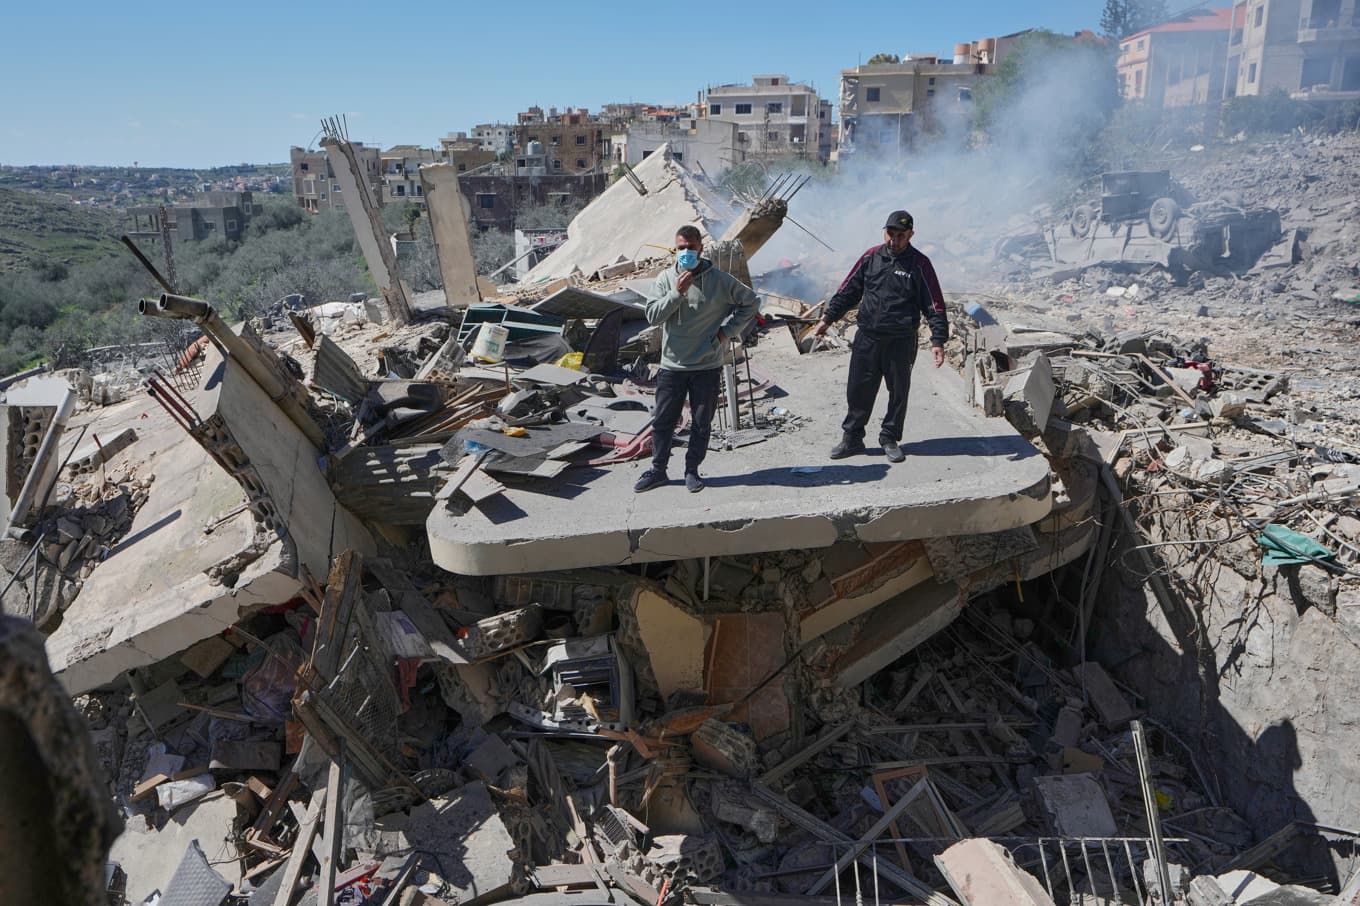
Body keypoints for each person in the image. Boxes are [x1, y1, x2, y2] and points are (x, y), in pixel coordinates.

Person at [814, 210, 948, 463]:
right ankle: (852, 439)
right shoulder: (870, 257)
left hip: (901, 341)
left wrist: (937, 340)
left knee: (898, 392)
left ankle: (889, 438)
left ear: (910, 235)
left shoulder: (920, 265)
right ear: (884, 231)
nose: (894, 240)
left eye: (900, 236)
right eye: (890, 234)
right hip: (867, 338)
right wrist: (827, 319)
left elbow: (934, 304)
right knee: (858, 390)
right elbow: (848, 291)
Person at [636, 225, 761, 493]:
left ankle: (692, 470)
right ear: (675, 249)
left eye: (691, 247)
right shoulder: (666, 279)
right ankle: (658, 470)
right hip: (672, 365)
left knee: (702, 422)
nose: (686, 252)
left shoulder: (719, 281)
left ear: (700, 248)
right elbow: (653, 316)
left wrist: (726, 333)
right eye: (681, 248)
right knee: (663, 422)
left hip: (706, 364)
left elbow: (751, 302)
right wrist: (677, 293)